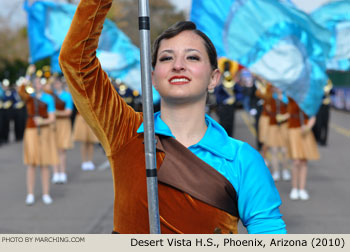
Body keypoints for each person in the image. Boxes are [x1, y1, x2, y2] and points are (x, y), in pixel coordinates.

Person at [59, 0, 286, 234]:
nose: (178, 65)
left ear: (213, 78)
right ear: (153, 77)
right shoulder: (124, 131)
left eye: (193, 58)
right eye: (167, 58)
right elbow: (76, 61)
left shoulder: (242, 159)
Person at [18, 74, 58, 206]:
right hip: (30, 131)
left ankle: (46, 193)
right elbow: (20, 91)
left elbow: (52, 118)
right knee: (31, 164)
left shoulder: (48, 98)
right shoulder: (30, 98)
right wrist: (27, 76)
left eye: (39, 83)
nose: (37, 85)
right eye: (35, 83)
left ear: (43, 84)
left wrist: (43, 121)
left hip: (44, 132)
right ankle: (30, 194)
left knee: (44, 164)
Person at [286, 97, 320, 200]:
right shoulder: (290, 97)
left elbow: (313, 116)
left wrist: (308, 127)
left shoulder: (310, 98)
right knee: (296, 161)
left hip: (305, 131)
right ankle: (294, 188)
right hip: (293, 130)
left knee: (304, 161)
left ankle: (302, 188)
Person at [50, 76, 74, 183]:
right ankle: (55, 173)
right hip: (53, 124)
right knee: (54, 149)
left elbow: (68, 112)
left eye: (58, 83)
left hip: (63, 124)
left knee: (62, 149)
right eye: (55, 83)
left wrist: (57, 113)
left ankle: (63, 172)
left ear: (61, 84)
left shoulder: (67, 96)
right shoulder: (51, 96)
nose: (56, 85)